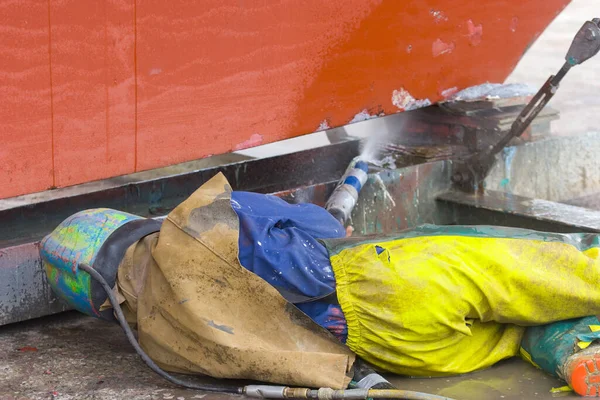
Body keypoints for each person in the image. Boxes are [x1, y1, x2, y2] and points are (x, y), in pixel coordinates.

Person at [40, 173, 600, 394]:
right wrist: (328, 227)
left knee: (513, 331)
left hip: (386, 348)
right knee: (555, 272)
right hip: (385, 281)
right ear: (126, 227)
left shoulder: (162, 342)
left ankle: (577, 358)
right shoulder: (201, 219)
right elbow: (321, 227)